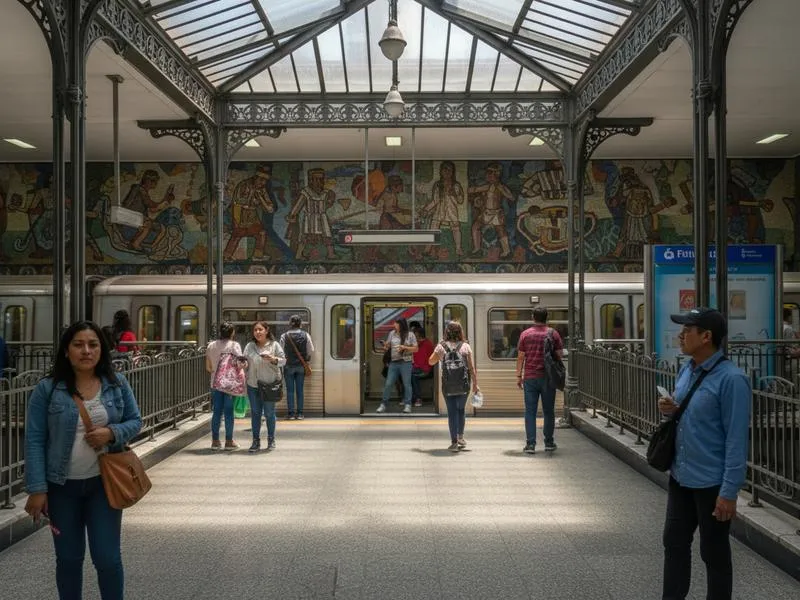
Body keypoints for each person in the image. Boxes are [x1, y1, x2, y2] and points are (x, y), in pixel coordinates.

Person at [24, 321, 142, 600]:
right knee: (68, 559)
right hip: (61, 488)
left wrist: (111, 433)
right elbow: (35, 439)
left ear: (102, 349)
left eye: (93, 344)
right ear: (66, 350)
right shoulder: (48, 389)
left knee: (107, 558)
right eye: (78, 345)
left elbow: (135, 421)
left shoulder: (116, 383)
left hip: (104, 487)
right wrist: (37, 489)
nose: (86, 351)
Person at [658, 308, 751, 600]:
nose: (681, 336)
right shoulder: (687, 369)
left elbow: (736, 440)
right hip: (681, 476)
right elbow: (687, 412)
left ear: (706, 336)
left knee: (713, 553)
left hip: (712, 483)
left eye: (688, 330)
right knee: (673, 544)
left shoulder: (732, 380)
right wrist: (670, 409)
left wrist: (729, 492)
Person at [516, 306, 563, 454]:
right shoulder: (553, 333)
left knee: (530, 411)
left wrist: (519, 375)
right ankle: (549, 443)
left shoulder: (525, 334)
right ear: (547, 317)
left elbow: (521, 356)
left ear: (533, 317)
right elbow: (560, 354)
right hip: (548, 378)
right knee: (549, 411)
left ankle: (530, 444)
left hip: (530, 377)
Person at [428, 321, 478, 451]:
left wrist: (440, 355)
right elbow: (471, 367)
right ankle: (460, 436)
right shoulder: (465, 346)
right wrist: (475, 385)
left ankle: (454, 442)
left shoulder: (441, 346)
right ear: (460, 332)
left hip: (448, 385)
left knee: (452, 413)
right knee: (461, 410)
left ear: (446, 332)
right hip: (463, 385)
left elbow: (430, 361)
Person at [243, 321, 286, 452]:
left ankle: (271, 439)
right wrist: (242, 364)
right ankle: (256, 441)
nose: (257, 332)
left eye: (260, 329)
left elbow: (283, 361)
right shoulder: (250, 346)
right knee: (255, 413)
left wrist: (272, 359)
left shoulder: (274, 345)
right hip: (253, 385)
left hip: (269, 385)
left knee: (269, 413)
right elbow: (245, 361)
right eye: (255, 330)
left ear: (266, 330)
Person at [205, 321, 242, 450]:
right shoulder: (234, 345)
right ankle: (229, 441)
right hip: (229, 385)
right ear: (232, 332)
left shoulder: (211, 346)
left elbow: (208, 368)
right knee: (229, 413)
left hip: (215, 384)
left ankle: (215, 441)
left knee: (217, 412)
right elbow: (239, 364)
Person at [376, 318, 417, 414]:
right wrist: (385, 346)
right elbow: (388, 346)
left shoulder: (410, 335)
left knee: (407, 384)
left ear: (401, 325)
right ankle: (383, 404)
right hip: (394, 362)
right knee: (388, 383)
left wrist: (405, 347)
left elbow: (416, 349)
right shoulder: (392, 334)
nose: (394, 325)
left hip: (406, 362)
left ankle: (408, 404)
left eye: (396, 324)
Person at [279, 315, 314, 419]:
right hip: (301, 366)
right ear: (300, 324)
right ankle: (300, 413)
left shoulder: (284, 336)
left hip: (288, 366)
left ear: (290, 324)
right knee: (300, 390)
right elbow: (310, 350)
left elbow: (281, 351)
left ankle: (290, 413)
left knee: (290, 391)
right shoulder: (306, 335)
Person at [409, 322, 434, 407]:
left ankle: (417, 398)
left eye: (414, 335)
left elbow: (424, 361)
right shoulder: (417, 345)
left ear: (419, 336)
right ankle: (410, 397)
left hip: (425, 369)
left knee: (412, 376)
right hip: (417, 367)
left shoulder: (427, 344)